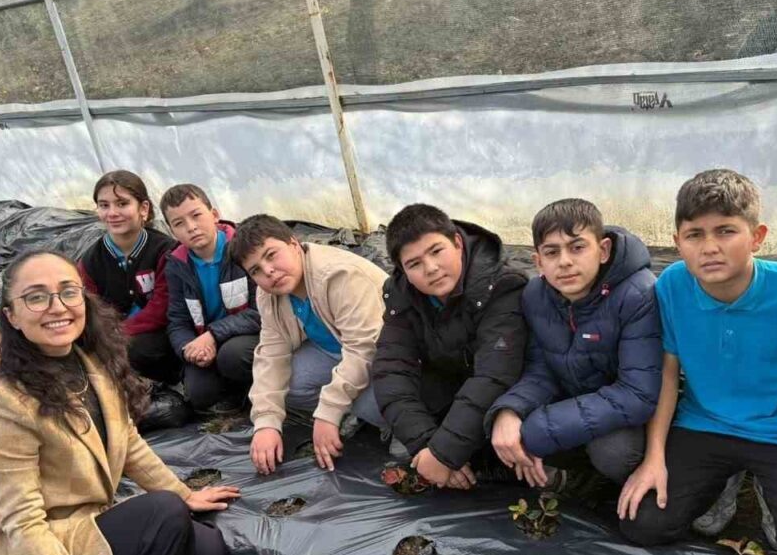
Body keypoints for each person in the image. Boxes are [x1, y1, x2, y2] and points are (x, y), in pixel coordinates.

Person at [0, 250, 242, 555]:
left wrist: (186, 494)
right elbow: (21, 519)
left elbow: (128, 443)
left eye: (67, 292)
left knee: (208, 550)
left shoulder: (89, 363)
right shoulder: (6, 403)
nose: (57, 307)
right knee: (161, 513)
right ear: (11, 317)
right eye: (36, 297)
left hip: (88, 526)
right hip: (45, 549)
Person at [617, 169, 777, 555]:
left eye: (725, 231)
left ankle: (768, 487)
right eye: (694, 235)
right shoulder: (672, 285)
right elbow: (668, 374)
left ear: (757, 237)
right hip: (705, 423)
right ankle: (722, 481)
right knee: (642, 524)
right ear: (677, 242)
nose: (710, 247)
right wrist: (654, 458)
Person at [487, 199, 661, 489]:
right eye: (551, 252)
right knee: (504, 428)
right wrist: (510, 410)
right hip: (578, 401)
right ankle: (577, 479)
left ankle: (624, 487)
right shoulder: (535, 295)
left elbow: (637, 395)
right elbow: (541, 369)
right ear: (538, 262)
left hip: (631, 416)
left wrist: (539, 430)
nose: (565, 262)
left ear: (603, 250)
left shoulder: (638, 295)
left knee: (614, 452)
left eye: (577, 247)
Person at [371, 203, 527, 490]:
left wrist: (443, 454)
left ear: (457, 243)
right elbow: (390, 369)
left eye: (436, 251)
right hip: (453, 383)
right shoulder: (402, 295)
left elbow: (494, 376)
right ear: (403, 270)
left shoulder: (501, 286)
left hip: (507, 391)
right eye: (414, 264)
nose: (431, 269)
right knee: (393, 416)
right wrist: (426, 445)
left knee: (517, 437)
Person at [229, 215, 388, 474]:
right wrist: (266, 422)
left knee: (373, 405)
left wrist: (328, 411)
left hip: (386, 356)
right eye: (255, 270)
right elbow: (271, 354)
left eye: (271, 255)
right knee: (290, 384)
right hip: (334, 351)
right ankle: (352, 412)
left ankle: (394, 425)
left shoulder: (340, 275)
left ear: (294, 244)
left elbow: (364, 350)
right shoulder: (268, 295)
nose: (268, 271)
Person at [160, 183, 260, 414]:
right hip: (207, 341)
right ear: (172, 231)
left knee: (232, 356)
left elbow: (261, 311)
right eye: (179, 223)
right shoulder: (176, 265)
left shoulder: (242, 249)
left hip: (247, 336)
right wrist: (188, 349)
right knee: (199, 395)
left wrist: (213, 335)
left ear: (214, 215)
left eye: (196, 215)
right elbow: (177, 320)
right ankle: (235, 395)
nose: (191, 227)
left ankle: (256, 389)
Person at [77, 170, 180, 386]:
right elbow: (90, 307)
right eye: (104, 205)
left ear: (143, 208)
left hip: (159, 335)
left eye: (122, 204)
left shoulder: (165, 250)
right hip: (111, 337)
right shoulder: (91, 260)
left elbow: (163, 308)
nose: (112, 213)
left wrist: (118, 334)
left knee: (138, 351)